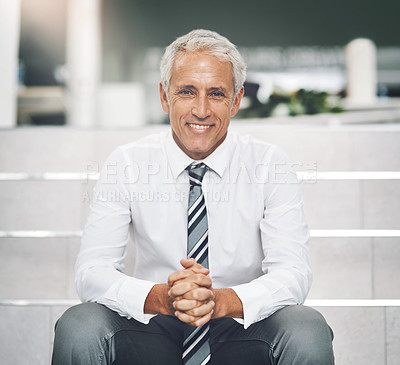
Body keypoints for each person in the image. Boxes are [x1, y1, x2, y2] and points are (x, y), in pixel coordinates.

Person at [52, 29, 334, 364]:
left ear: (236, 100)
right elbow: (92, 271)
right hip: (152, 326)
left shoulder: (270, 164)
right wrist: (161, 298)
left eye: (216, 94)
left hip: (241, 327)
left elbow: (293, 272)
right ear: (164, 96)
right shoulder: (126, 163)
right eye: (187, 91)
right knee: (80, 324)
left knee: (306, 327)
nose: (201, 110)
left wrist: (221, 301)